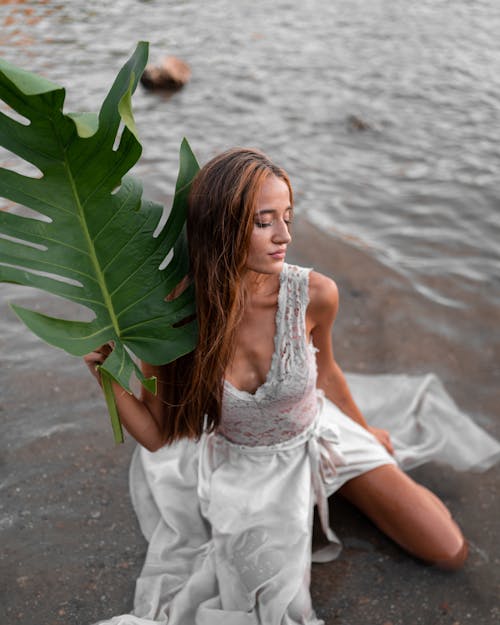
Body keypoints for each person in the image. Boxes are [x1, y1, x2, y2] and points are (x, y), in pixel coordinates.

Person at [85, 147, 476, 625]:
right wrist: (108, 379)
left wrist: (366, 430)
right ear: (221, 226)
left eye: (288, 217)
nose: (286, 236)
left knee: (448, 551)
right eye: (264, 221)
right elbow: (158, 434)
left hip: (321, 436)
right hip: (247, 474)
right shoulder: (174, 317)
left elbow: (328, 374)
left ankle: (341, 484)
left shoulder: (314, 294)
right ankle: (316, 502)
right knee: (266, 606)